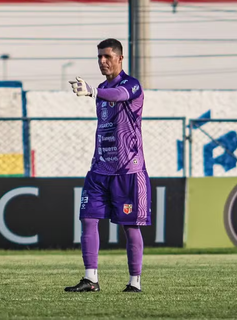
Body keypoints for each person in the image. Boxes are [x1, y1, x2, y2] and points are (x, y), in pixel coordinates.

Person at [64, 38, 151, 293]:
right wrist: (95, 91)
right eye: (99, 57)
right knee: (88, 218)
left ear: (120, 58)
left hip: (128, 170)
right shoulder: (101, 89)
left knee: (130, 226)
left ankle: (134, 282)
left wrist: (92, 91)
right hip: (100, 169)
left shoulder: (130, 85)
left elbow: (118, 95)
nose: (102, 61)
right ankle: (91, 279)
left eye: (107, 57)